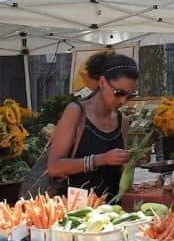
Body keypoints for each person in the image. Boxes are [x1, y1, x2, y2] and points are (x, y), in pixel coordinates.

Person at [48, 54, 140, 199]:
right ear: (102, 82)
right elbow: (54, 167)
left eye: (130, 96)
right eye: (119, 93)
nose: (123, 101)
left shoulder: (122, 121)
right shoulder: (76, 112)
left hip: (111, 210)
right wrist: (102, 159)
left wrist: (129, 162)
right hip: (78, 211)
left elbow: (120, 171)